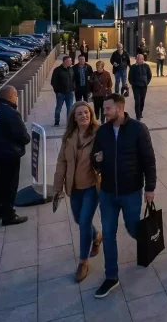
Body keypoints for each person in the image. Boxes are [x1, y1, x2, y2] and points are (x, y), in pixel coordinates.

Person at [91, 93, 156, 299]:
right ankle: (111, 276)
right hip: (108, 192)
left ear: (120, 108)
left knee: (132, 227)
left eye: (108, 108)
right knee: (108, 234)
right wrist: (98, 161)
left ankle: (147, 242)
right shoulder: (102, 131)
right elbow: (95, 158)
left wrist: (150, 188)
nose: (105, 111)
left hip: (131, 192)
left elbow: (149, 160)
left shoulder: (138, 129)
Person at [52, 102, 103, 282]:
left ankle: (83, 262)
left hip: (92, 186)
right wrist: (57, 188)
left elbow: (109, 155)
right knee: (78, 219)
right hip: (73, 187)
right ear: (74, 117)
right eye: (80, 113)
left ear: (91, 114)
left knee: (83, 222)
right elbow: (61, 163)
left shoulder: (99, 134)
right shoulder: (69, 137)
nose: (84, 116)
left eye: (87, 112)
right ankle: (97, 235)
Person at [0, 85, 30, 225]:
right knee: (10, 185)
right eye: (16, 96)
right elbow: (22, 135)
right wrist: (26, 139)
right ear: (11, 97)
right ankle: (9, 215)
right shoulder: (11, 113)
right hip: (10, 154)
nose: (17, 98)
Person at [51, 55, 76, 126]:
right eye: (69, 61)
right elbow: (53, 82)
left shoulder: (71, 69)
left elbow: (73, 79)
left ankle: (69, 123)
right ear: (65, 61)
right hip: (60, 94)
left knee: (70, 108)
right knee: (58, 108)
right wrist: (57, 92)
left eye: (71, 60)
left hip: (70, 93)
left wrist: (73, 88)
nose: (71, 62)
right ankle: (57, 121)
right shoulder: (57, 70)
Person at [128, 53, 152, 120]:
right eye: (137, 58)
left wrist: (147, 82)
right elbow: (130, 77)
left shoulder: (146, 66)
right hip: (136, 86)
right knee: (137, 100)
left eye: (139, 59)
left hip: (144, 86)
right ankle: (138, 115)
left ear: (142, 59)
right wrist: (132, 83)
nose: (137, 60)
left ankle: (140, 112)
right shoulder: (133, 67)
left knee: (142, 100)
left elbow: (149, 75)